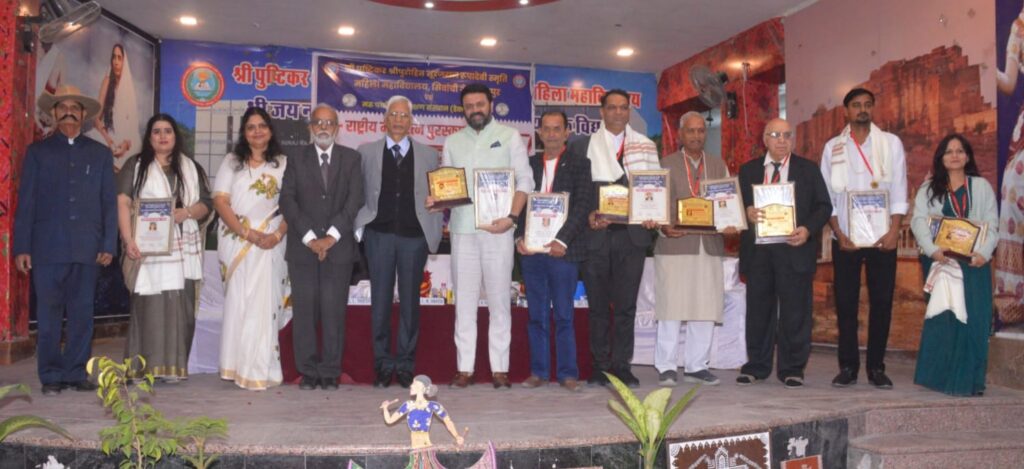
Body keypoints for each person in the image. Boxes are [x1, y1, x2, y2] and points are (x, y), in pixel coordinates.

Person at [14, 84, 116, 396]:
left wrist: (108, 244)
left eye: (75, 107)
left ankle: (76, 373)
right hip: (47, 248)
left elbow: (108, 204)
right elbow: (26, 203)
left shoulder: (100, 154)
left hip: (87, 248)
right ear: (54, 113)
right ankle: (51, 375)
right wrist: (22, 247)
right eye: (62, 107)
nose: (69, 112)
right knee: (49, 316)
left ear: (84, 115)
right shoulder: (37, 153)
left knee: (82, 314)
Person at [429, 83, 533, 389]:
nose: (475, 110)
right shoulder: (452, 141)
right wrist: (438, 201)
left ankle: (500, 369)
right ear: (463, 109)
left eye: (480, 104)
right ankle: (465, 368)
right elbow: (449, 186)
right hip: (463, 231)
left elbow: (525, 181)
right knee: (464, 302)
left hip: (499, 231)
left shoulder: (510, 136)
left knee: (500, 301)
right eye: (469, 106)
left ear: (491, 104)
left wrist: (512, 218)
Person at [819, 88, 908, 389]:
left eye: (867, 105)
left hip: (883, 237)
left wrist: (894, 231)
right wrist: (838, 232)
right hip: (846, 238)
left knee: (881, 302)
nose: (862, 110)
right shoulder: (833, 147)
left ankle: (876, 368)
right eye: (856, 105)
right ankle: (848, 367)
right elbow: (827, 197)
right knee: (846, 303)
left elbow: (899, 188)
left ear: (873, 108)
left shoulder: (890, 143)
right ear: (846, 111)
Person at [736, 118, 832, 389]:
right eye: (776, 135)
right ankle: (756, 366)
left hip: (794, 250)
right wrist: (745, 212)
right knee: (758, 312)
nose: (782, 140)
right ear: (765, 139)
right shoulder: (748, 170)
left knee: (795, 313)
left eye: (787, 135)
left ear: (793, 140)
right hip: (759, 254)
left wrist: (807, 230)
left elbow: (824, 206)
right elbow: (733, 206)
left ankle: (792, 368)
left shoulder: (808, 170)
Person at [355, 96, 443, 389]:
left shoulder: (429, 155)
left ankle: (405, 365)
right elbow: (357, 191)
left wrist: (437, 202)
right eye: (393, 114)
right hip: (378, 236)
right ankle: (382, 365)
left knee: (410, 305)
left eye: (404, 115)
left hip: (414, 238)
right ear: (385, 119)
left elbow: (440, 195)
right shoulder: (366, 152)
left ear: (411, 121)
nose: (398, 120)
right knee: (379, 304)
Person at [117, 114, 211, 383]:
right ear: (149, 138)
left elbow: (207, 204)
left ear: (175, 136)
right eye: (156, 131)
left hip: (182, 250)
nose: (162, 136)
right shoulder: (135, 166)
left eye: (167, 131)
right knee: (148, 308)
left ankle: (172, 370)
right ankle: (140, 369)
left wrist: (187, 212)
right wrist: (128, 240)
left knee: (181, 309)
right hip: (147, 249)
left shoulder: (191, 167)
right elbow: (123, 202)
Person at [578, 89, 661, 387]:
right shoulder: (584, 145)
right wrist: (588, 214)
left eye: (623, 108)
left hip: (631, 236)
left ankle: (622, 366)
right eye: (611, 107)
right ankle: (600, 366)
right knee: (598, 307)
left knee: (626, 307)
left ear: (628, 111)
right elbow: (579, 192)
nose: (617, 113)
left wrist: (653, 214)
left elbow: (654, 188)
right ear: (601, 112)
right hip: (597, 236)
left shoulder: (645, 146)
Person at [280, 103, 364, 390]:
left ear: (337, 128)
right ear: (310, 128)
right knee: (304, 313)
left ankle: (330, 371)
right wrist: (310, 238)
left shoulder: (351, 158)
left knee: (333, 312)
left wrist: (330, 237)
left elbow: (355, 200)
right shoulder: (295, 158)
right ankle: (308, 371)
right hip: (302, 248)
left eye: (329, 123)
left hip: (338, 249)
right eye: (318, 122)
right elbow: (287, 200)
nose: (323, 127)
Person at [909, 134, 998, 396]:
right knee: (945, 317)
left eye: (960, 151)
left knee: (975, 318)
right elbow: (918, 221)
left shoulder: (981, 187)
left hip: (974, 264)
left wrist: (983, 254)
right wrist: (933, 251)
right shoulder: (929, 189)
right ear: (941, 158)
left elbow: (992, 224)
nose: (955, 156)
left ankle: (971, 381)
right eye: (949, 152)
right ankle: (941, 379)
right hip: (941, 262)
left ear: (967, 156)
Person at [515, 110, 593, 393]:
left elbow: (583, 205)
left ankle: (568, 373)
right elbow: (517, 203)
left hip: (564, 252)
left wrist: (562, 240)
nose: (551, 134)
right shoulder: (528, 164)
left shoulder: (580, 164)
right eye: (546, 129)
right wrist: (518, 237)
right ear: (538, 133)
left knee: (563, 315)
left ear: (567, 133)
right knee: (536, 315)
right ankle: (538, 372)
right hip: (532, 251)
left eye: (557, 128)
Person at [654, 112, 734, 387]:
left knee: (705, 307)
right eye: (691, 131)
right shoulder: (665, 164)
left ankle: (697, 366)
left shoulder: (718, 165)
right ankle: (666, 367)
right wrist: (663, 226)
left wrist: (732, 222)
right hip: (675, 245)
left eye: (701, 130)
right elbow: (656, 205)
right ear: (680, 134)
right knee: (671, 307)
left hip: (709, 246)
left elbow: (727, 202)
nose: (696, 136)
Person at [214, 107, 290, 391]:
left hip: (271, 241)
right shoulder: (232, 162)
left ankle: (260, 369)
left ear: (270, 130)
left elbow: (293, 204)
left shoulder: (283, 163)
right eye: (251, 127)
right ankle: (235, 367)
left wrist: (277, 234)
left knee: (263, 305)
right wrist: (246, 233)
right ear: (244, 133)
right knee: (239, 304)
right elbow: (220, 202)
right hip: (238, 239)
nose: (257, 131)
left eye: (262, 126)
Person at [995, 9, 1024, 326]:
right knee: (1012, 191)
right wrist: (989, 68)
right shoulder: (1020, 25)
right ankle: (1014, 300)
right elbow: (1008, 83)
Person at [380, 375, 465, 449]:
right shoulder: (408, 405)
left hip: (425, 444)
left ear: (421, 386)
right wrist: (385, 409)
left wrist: (457, 436)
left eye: (414, 383)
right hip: (415, 445)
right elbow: (389, 421)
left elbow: (448, 421)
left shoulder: (433, 406)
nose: (411, 385)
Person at [90, 43, 140, 169]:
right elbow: (96, 118)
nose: (116, 62)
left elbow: (132, 126)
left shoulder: (129, 88)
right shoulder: (107, 81)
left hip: (125, 138)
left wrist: (125, 144)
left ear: (124, 61)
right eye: (114, 57)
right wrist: (109, 141)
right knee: (92, 139)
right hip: (107, 135)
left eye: (119, 58)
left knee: (136, 149)